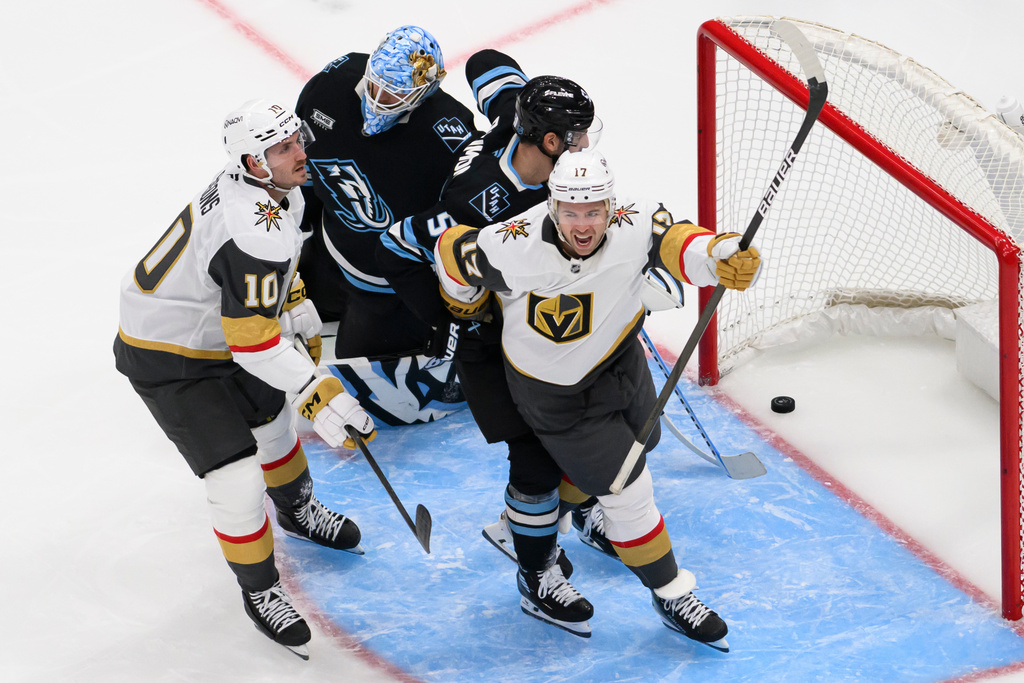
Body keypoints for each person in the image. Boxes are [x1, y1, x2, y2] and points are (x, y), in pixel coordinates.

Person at [433, 148, 761, 648]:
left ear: (611, 205)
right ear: (551, 205)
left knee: (642, 443)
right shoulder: (513, 245)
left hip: (620, 362)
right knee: (627, 487)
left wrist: (718, 254)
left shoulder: (634, 222)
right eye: (570, 212)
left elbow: (679, 243)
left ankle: (521, 527)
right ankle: (671, 593)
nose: (582, 226)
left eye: (593, 211)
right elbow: (451, 251)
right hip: (554, 391)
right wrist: (469, 304)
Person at [113, 99, 377, 660]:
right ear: (254, 164)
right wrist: (317, 390)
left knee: (274, 429)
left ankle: (297, 511)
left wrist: (296, 295)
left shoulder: (271, 188)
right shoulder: (247, 225)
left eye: (297, 138)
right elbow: (253, 342)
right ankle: (260, 592)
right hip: (170, 354)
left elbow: (256, 291)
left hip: (219, 329)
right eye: (284, 148)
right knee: (235, 480)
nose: (300, 152)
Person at [377, 51, 615, 580]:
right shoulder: (479, 203)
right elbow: (392, 248)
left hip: (539, 312)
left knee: (592, 416)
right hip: (489, 332)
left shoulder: (518, 117)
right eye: (575, 138)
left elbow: (487, 63)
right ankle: (529, 553)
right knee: (536, 450)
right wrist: (442, 324)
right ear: (549, 143)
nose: (584, 146)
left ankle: (570, 510)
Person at [294, 25, 477, 426]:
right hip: (328, 250)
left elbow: (463, 222)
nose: (377, 101)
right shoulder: (328, 86)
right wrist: (297, 229)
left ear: (425, 91)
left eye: (393, 95)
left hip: (389, 284)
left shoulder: (450, 132)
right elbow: (302, 168)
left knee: (359, 377)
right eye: (374, 86)